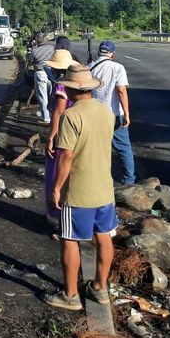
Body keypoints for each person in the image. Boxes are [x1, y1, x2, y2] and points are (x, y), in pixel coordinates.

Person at [44, 64, 116, 311]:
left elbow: (66, 157)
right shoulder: (107, 112)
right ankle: (100, 288)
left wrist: (56, 188)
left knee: (69, 239)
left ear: (72, 89)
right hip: (105, 188)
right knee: (103, 237)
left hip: (79, 191)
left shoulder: (71, 116)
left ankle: (70, 294)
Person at [89, 40, 136, 185]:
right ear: (113, 54)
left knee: (99, 147)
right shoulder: (118, 68)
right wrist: (127, 114)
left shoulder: (89, 67)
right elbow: (121, 90)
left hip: (95, 113)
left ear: (99, 52)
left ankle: (99, 178)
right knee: (123, 148)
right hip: (114, 113)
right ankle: (128, 180)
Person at [43, 48, 77, 232]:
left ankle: (56, 217)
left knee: (55, 174)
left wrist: (51, 137)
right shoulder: (73, 84)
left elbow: (58, 111)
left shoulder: (61, 86)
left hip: (61, 134)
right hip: (73, 132)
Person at [29, 33, 55, 123]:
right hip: (51, 72)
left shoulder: (34, 50)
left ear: (36, 41)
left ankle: (46, 118)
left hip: (40, 73)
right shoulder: (51, 48)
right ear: (45, 40)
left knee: (42, 96)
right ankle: (53, 116)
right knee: (51, 95)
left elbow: (31, 61)